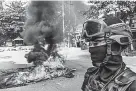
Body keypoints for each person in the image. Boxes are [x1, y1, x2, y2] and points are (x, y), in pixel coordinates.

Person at [81, 16, 136, 91]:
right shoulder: (91, 75)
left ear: (116, 45)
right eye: (90, 44)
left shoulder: (132, 85)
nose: (91, 50)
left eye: (97, 43)